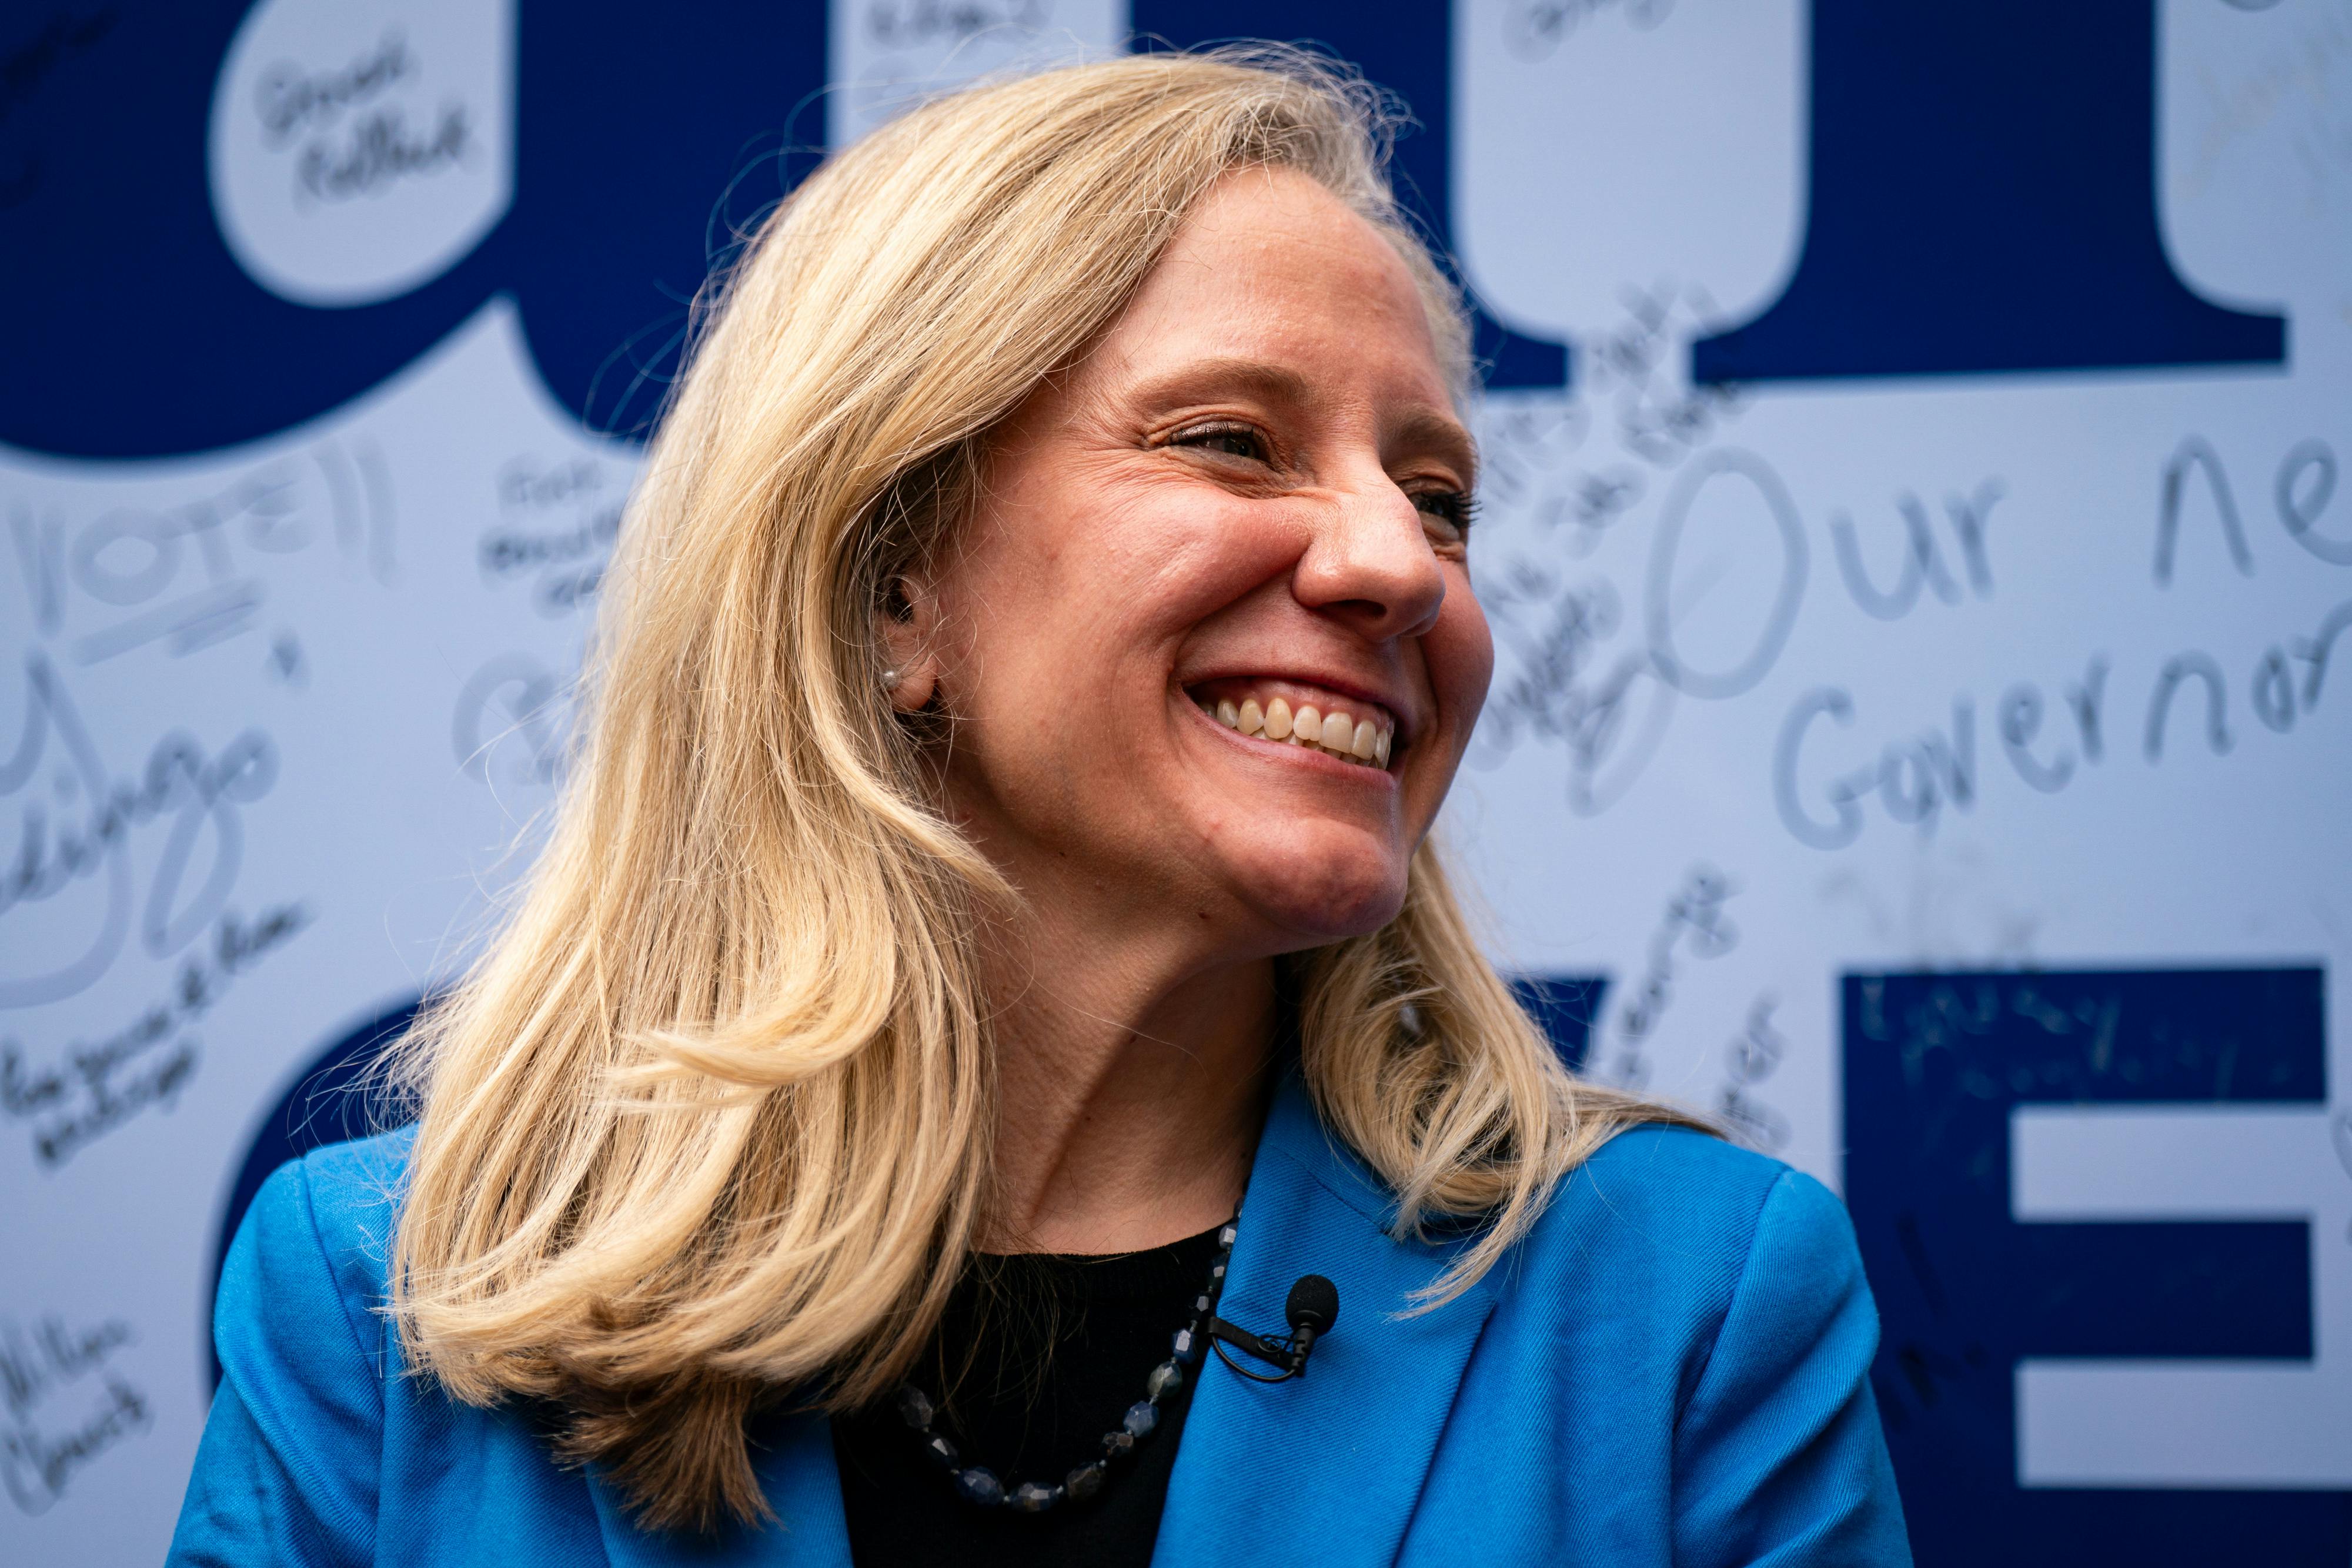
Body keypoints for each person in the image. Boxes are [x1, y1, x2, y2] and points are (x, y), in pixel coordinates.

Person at [168, 48, 1911, 1567]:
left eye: (1440, 496)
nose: (1401, 562)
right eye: (1234, 441)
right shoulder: (379, 1305)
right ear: (890, 588)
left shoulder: (1692, 1302)